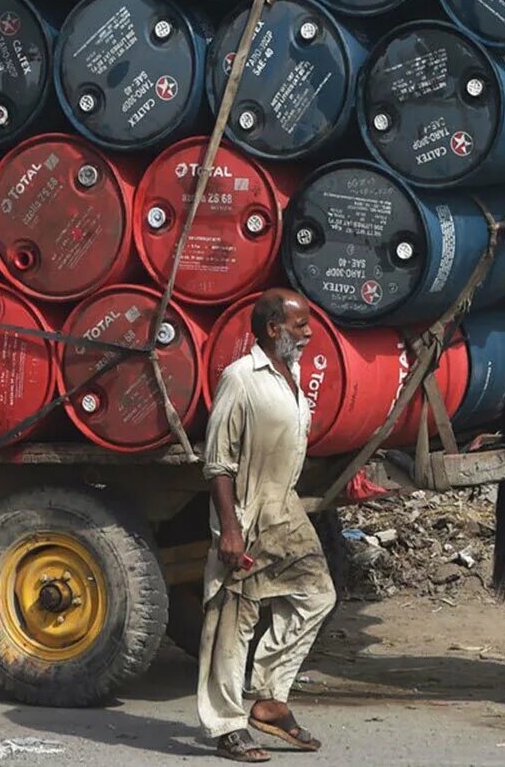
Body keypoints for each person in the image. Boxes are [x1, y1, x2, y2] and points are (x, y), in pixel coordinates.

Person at [196, 289, 336, 762]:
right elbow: (217, 462)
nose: (310, 332)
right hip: (247, 507)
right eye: (301, 325)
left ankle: (271, 699)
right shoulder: (241, 379)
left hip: (284, 506)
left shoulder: (290, 374)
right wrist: (231, 529)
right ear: (274, 328)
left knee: (317, 594)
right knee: (236, 615)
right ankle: (228, 726)